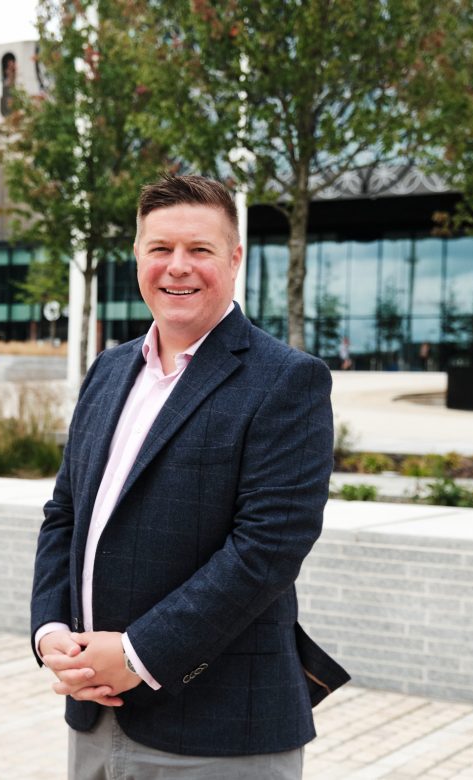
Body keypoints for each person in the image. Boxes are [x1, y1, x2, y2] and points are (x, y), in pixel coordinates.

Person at [31, 175, 348, 779]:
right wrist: (51, 633)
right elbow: (65, 514)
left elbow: (267, 551)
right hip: (93, 716)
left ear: (234, 259)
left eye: (200, 249)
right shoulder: (108, 370)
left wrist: (136, 655)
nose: (178, 266)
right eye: (161, 248)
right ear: (137, 257)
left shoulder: (288, 380)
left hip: (217, 731)